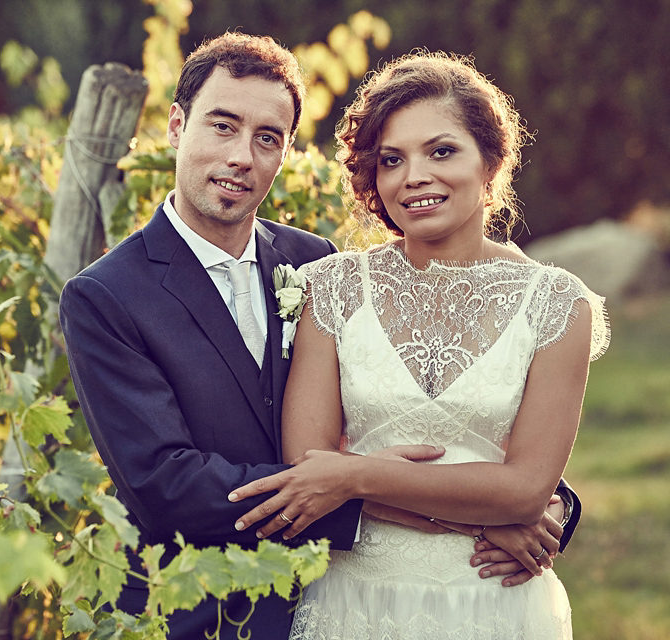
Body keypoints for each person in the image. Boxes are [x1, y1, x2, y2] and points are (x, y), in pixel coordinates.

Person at [60, 35, 581, 639]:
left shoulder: (313, 264)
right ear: (177, 126)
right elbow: (168, 486)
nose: (241, 157)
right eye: (222, 126)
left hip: (334, 594)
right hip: (206, 612)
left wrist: (544, 503)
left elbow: (411, 415)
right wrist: (455, 515)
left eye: (266, 138)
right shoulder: (107, 296)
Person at [228, 51, 609, 639]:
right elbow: (308, 467)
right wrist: (477, 515)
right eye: (391, 160)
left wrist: (355, 477)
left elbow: (526, 488)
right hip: (354, 602)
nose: (414, 177)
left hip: (495, 603)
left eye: (442, 151)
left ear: (491, 162)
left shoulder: (560, 306)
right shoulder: (332, 289)